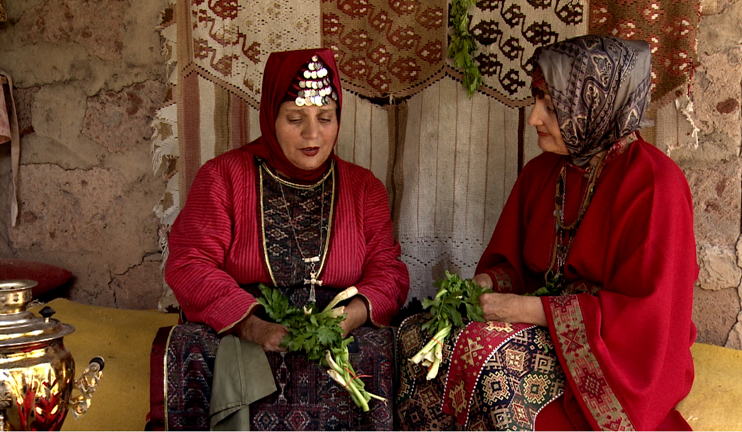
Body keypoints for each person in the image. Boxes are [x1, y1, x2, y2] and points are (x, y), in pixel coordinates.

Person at [395, 35, 696, 431]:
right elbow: (513, 266)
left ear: (596, 108)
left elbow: (647, 324)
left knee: (486, 355)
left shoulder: (655, 185)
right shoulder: (543, 173)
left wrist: (519, 310)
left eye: (551, 108)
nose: (534, 118)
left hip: (606, 358)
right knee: (415, 335)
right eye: (537, 101)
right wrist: (482, 287)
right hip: (538, 330)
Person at [159, 48, 409, 431]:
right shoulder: (224, 177)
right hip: (246, 320)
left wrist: (348, 317)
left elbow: (389, 272)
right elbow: (190, 263)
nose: (313, 134)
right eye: (295, 119)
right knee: (196, 347)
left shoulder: (363, 188)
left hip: (334, 325)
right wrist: (255, 327)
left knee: (380, 350)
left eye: (325, 118)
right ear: (270, 117)